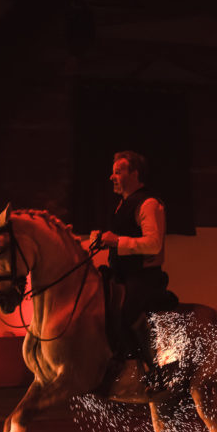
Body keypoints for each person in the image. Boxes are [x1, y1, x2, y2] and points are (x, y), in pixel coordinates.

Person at [90, 150, 178, 396]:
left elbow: (153, 244)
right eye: (113, 171)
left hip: (144, 277)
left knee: (126, 313)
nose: (112, 177)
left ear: (135, 173)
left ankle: (156, 372)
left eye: (119, 171)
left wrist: (116, 241)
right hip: (122, 276)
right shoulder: (122, 205)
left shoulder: (149, 203)